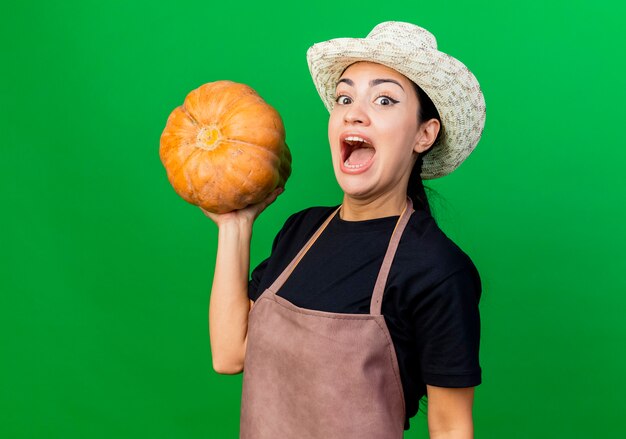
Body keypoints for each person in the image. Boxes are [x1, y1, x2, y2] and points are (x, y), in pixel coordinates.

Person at [204, 21, 486, 439]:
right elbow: (230, 353)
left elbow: (450, 427)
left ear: (424, 135)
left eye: (385, 99)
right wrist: (236, 225)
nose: (354, 112)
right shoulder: (301, 230)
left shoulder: (437, 268)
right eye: (344, 97)